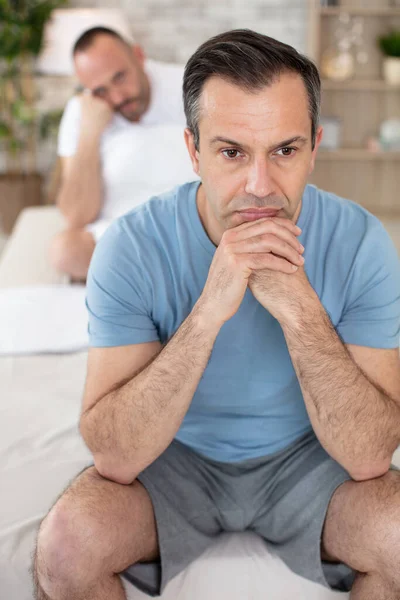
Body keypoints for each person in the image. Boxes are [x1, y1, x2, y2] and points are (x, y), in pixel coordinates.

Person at [34, 29, 400, 600]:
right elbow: (113, 454)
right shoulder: (130, 247)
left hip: (312, 464)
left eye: (284, 150)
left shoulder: (362, 242)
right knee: (66, 546)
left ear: (314, 146)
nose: (260, 187)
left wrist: (301, 312)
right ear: (193, 150)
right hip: (172, 460)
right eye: (232, 152)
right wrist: (208, 312)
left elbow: (372, 454)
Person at [51, 26, 195, 280]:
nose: (117, 97)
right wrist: (89, 134)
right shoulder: (81, 112)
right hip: (121, 237)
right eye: (100, 91)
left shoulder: (190, 85)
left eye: (119, 78)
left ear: (139, 56)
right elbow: (76, 215)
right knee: (64, 250)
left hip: (190, 226)